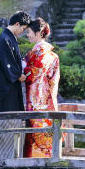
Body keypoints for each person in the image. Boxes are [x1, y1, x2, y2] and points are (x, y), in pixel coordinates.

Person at [0, 11, 30, 160]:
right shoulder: (5, 39)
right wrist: (18, 75)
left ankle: (5, 156)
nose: (23, 32)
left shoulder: (9, 38)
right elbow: (6, 63)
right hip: (4, 89)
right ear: (16, 24)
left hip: (8, 88)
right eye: (23, 28)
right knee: (3, 123)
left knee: (6, 125)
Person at [22, 17, 61, 158]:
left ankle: (34, 164)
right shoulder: (53, 56)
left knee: (34, 133)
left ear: (38, 33)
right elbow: (54, 80)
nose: (27, 35)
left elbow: (26, 75)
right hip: (48, 100)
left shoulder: (33, 55)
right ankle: (49, 159)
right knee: (46, 131)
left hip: (34, 100)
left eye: (29, 32)